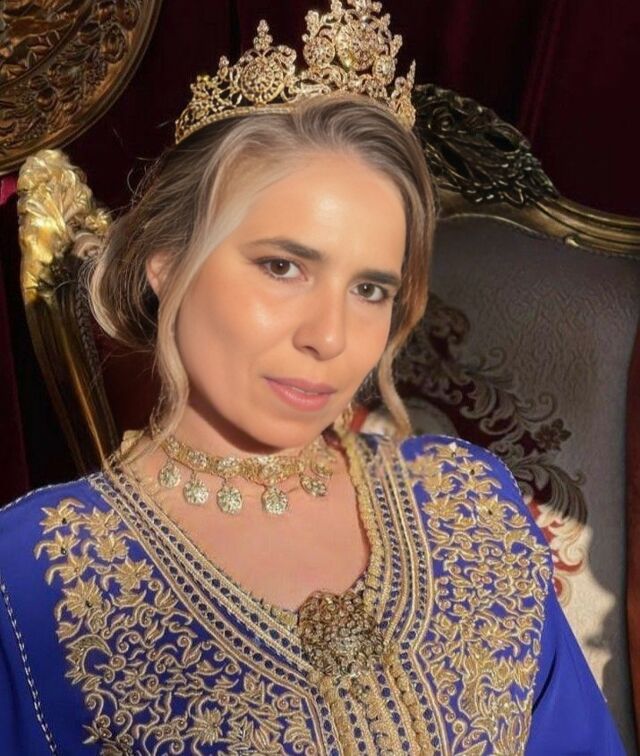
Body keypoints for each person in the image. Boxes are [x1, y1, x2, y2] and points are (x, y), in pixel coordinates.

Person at [0, 1, 625, 753]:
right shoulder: (35, 570)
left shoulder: (471, 500)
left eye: (371, 289)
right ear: (165, 261)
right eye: (282, 267)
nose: (329, 337)